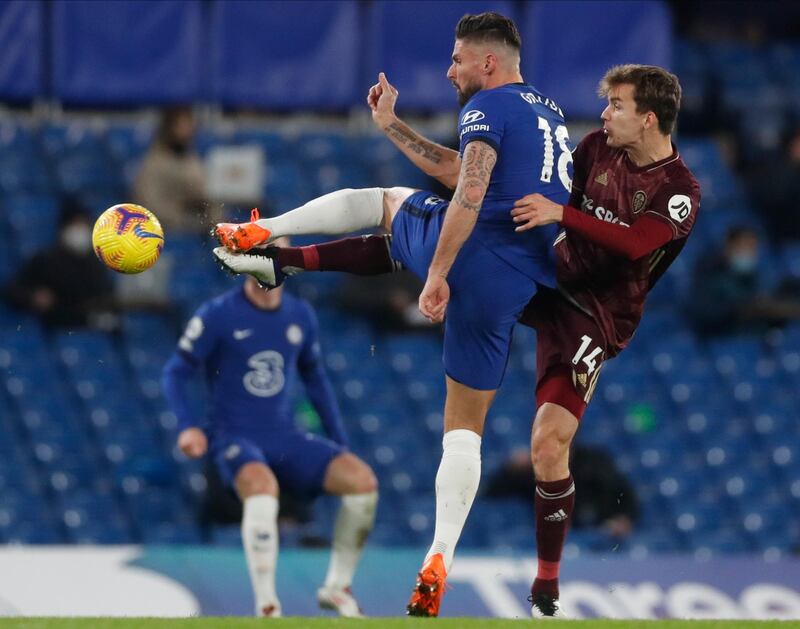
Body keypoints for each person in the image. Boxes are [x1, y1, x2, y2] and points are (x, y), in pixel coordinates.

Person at [212, 12, 574, 617]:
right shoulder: (550, 114)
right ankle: (439, 557)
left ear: (488, 62)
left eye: (457, 58)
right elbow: (462, 170)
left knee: (385, 203)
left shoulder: (486, 106)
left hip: (471, 247)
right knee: (465, 429)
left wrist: (436, 275)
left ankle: (266, 233)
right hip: (518, 277)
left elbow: (472, 187)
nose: (449, 69)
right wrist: (392, 126)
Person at [160, 270, 378, 618]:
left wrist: (339, 440)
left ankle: (337, 588)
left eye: (279, 252)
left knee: (362, 481)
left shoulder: (300, 314)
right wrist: (187, 427)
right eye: (263, 252)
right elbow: (175, 371)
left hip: (283, 435)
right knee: (262, 488)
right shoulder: (217, 314)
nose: (272, 261)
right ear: (246, 261)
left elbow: (316, 379)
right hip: (232, 435)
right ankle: (267, 605)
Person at [4, 199, 117, 329]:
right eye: (76, 224)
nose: (81, 229)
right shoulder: (45, 260)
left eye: (84, 224)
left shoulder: (94, 263)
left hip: (87, 328)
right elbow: (13, 291)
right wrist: (33, 296)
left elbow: (105, 294)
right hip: (52, 329)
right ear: (64, 227)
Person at [485, 445, 639, 540]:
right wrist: (511, 469)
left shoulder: (595, 463)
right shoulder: (533, 470)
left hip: (599, 535)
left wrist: (624, 518)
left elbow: (623, 492)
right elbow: (490, 494)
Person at [686, 226, 800, 336]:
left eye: (752, 248)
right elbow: (706, 314)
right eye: (743, 247)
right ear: (728, 247)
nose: (748, 252)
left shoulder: (760, 279)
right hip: (724, 342)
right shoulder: (708, 278)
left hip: (760, 345)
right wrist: (747, 308)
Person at [133, 106, 218, 235]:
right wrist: (182, 216)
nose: (186, 131)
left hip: (198, 230)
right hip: (165, 232)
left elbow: (209, 196)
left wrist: (208, 213)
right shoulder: (154, 163)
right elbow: (148, 204)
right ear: (169, 128)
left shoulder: (193, 161)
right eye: (181, 126)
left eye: (189, 125)